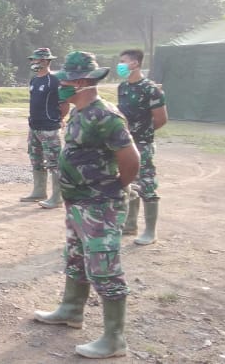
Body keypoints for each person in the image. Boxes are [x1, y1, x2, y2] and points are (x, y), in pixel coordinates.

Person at [33, 51, 140, 359]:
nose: (60, 84)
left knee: (104, 267)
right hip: (79, 201)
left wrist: (115, 188)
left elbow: (131, 159)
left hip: (100, 204)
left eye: (64, 80)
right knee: (77, 257)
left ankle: (114, 339)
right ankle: (71, 310)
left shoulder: (105, 114)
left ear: (80, 82)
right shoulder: (80, 110)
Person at [117, 49, 167, 245]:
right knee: (129, 182)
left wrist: (143, 133)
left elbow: (161, 119)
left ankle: (150, 231)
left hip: (143, 144)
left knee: (147, 184)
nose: (120, 65)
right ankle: (130, 224)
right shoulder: (122, 87)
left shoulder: (150, 89)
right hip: (125, 143)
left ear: (135, 64)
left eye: (123, 62)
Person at [21, 47, 69, 208]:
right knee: (36, 159)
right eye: (33, 60)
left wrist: (59, 119)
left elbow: (64, 104)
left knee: (54, 162)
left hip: (49, 128)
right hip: (34, 126)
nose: (34, 63)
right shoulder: (34, 80)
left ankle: (57, 197)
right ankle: (39, 191)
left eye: (37, 60)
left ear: (46, 61)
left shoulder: (54, 80)